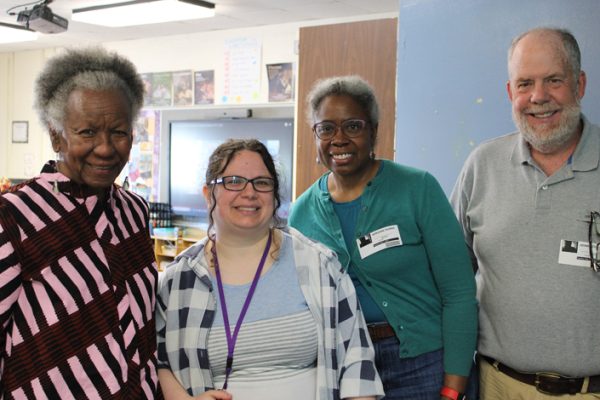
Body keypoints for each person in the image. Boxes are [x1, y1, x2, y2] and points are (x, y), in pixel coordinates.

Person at [289, 76, 478, 400]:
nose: (339, 139)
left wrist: (454, 384)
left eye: (353, 126)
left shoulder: (417, 189)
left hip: (422, 364)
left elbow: (459, 293)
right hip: (346, 366)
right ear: (315, 136)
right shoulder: (302, 213)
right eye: (327, 128)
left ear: (373, 131)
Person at [156, 139, 384, 400]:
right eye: (233, 181)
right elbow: (158, 360)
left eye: (262, 183)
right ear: (209, 194)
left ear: (274, 196)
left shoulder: (319, 264)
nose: (249, 192)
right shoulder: (179, 281)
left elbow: (357, 363)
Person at [0, 47, 162, 398]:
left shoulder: (134, 212)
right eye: (87, 132)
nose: (105, 148)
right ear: (57, 135)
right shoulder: (14, 217)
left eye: (118, 132)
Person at [451, 27, 600, 399]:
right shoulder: (481, 165)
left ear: (579, 84)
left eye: (554, 80)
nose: (538, 97)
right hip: (497, 385)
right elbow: (452, 277)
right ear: (509, 93)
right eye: (524, 84)